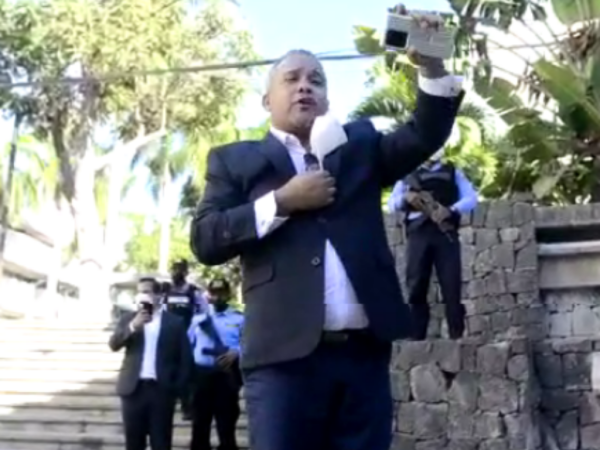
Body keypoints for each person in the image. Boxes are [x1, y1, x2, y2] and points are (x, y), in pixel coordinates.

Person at [190, 5, 464, 449]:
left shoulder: (359, 146)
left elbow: (423, 134)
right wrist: (283, 201)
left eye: (316, 80)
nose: (305, 86)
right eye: (292, 78)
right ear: (267, 101)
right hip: (281, 365)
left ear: (327, 99)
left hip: (362, 359)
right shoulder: (234, 160)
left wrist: (431, 64)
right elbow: (205, 239)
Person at [388, 148, 478, 340]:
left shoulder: (453, 172)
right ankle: (416, 336)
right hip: (418, 233)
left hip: (445, 233)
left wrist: (451, 210)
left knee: (451, 286)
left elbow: (471, 198)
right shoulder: (408, 174)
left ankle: (457, 336)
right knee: (416, 285)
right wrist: (405, 199)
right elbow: (391, 203)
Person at [109, 277, 193, 450]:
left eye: (146, 291)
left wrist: (176, 389)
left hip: (161, 391)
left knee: (161, 443)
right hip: (133, 390)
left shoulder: (174, 322)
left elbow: (185, 360)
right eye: (139, 292)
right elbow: (114, 344)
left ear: (158, 295)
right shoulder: (129, 319)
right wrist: (133, 326)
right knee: (133, 444)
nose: (142, 296)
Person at [188, 277, 243, 450]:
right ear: (208, 295)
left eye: (221, 293)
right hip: (201, 376)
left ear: (228, 294)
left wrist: (238, 352)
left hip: (226, 376)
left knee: (226, 427)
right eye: (213, 293)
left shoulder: (240, 319)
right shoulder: (198, 320)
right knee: (199, 427)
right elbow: (187, 345)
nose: (217, 297)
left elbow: (251, 343)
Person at [163, 259, 207, 420]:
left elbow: (203, 312)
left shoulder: (193, 292)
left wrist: (194, 329)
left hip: (188, 337)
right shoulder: (165, 291)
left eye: (180, 270)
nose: (176, 273)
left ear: (186, 273)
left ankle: (187, 406)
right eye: (174, 269)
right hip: (168, 337)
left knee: (187, 372)